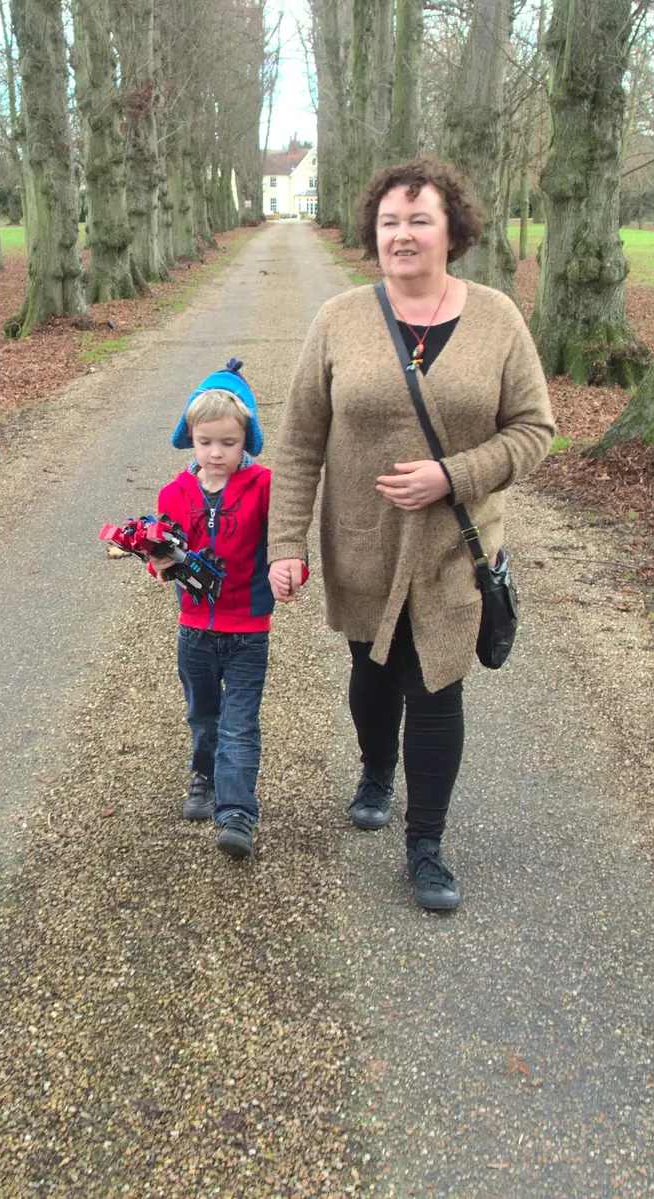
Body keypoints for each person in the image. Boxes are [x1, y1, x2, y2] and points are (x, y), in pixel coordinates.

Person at [267, 157, 555, 911]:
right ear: (374, 232)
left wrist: (452, 476)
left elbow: (534, 430)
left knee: (435, 688)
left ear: (452, 231)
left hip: (453, 549)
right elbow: (298, 441)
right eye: (390, 221)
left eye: (419, 219)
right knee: (372, 675)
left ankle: (425, 844)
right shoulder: (338, 319)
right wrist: (286, 543)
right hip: (361, 542)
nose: (403, 234)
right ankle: (373, 766)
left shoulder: (497, 319)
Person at [152, 361, 276, 860]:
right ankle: (203, 775)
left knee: (239, 723)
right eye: (206, 442)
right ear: (191, 438)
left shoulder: (266, 486)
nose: (216, 453)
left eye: (228, 442)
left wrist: (293, 573)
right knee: (204, 717)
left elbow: (287, 547)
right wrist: (158, 563)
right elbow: (162, 552)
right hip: (195, 631)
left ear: (247, 438)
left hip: (248, 630)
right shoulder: (174, 494)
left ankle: (238, 814)